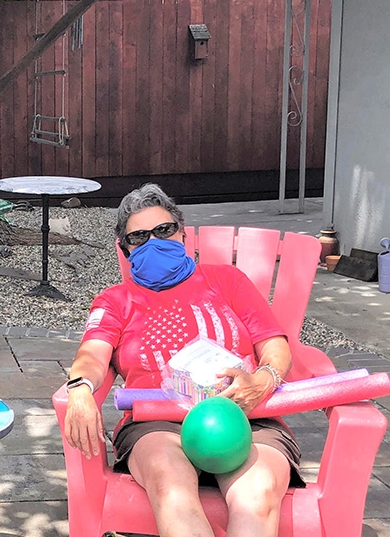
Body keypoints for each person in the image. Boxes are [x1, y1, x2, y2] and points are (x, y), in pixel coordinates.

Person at [63, 183, 303, 537]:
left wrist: (264, 379)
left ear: (182, 234)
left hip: (248, 415)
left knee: (259, 491)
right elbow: (92, 355)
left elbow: (274, 344)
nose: (154, 242)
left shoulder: (226, 281)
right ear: (124, 250)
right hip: (158, 423)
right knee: (170, 485)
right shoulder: (115, 300)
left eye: (163, 230)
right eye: (139, 237)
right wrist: (80, 388)